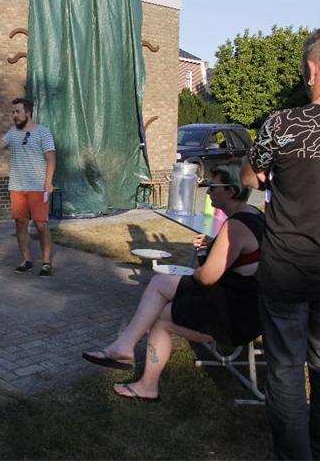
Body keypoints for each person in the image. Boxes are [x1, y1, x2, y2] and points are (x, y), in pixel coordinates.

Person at [241, 27, 320, 460]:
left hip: (285, 267)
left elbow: (250, 177)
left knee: (285, 367)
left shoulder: (283, 124)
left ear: (312, 68)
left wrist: (270, 175)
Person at [83, 164, 264, 401]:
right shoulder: (254, 214)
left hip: (237, 316)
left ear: (230, 190)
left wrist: (198, 269)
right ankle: (130, 357)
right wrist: (213, 246)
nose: (207, 192)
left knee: (161, 307)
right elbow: (243, 257)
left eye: (212, 186)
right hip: (246, 303)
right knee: (161, 295)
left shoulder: (236, 226)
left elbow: (207, 276)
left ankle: (136, 367)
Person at [0, 98, 56, 277]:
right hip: (17, 187)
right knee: (20, 224)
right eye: (13, 112)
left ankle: (46, 263)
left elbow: (51, 159)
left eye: (17, 111)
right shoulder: (12, 132)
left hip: (38, 187)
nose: (14, 115)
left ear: (28, 113)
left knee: (41, 225)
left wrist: (48, 182)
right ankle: (27, 261)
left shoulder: (43, 132)